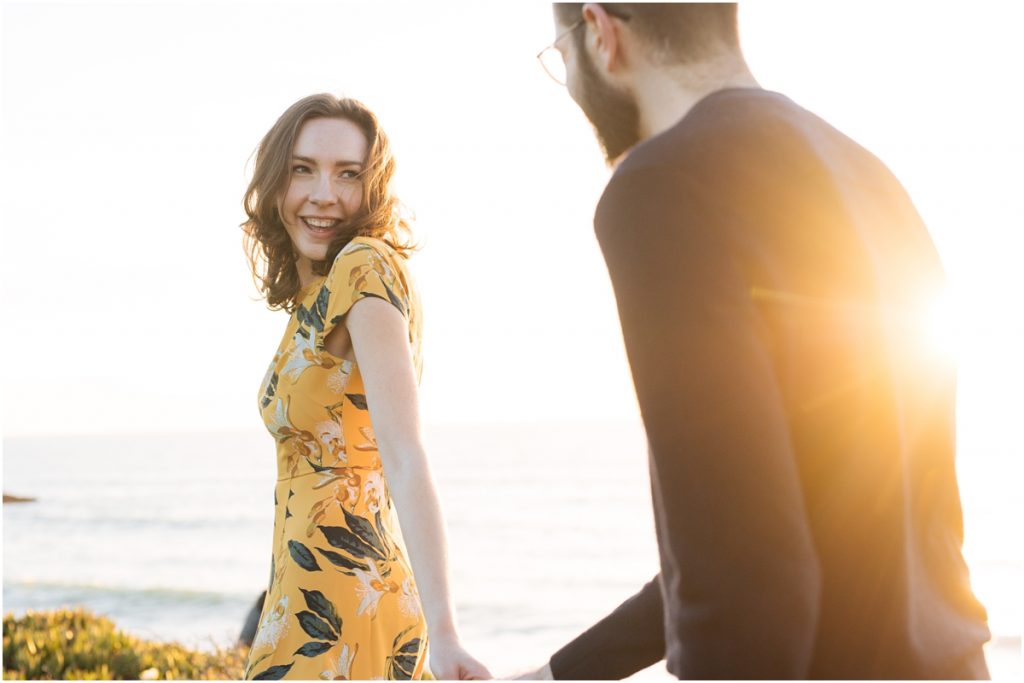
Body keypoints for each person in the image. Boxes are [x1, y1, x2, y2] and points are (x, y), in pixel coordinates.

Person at [519, 3, 991, 679]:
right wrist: (560, 674)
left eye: (560, 55)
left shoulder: (660, 185)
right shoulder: (871, 174)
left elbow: (744, 580)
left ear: (600, 33)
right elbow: (794, 528)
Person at [240, 94, 491, 681]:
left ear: (371, 187)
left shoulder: (364, 266)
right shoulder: (314, 300)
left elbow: (405, 455)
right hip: (303, 597)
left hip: (346, 605)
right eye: (303, 169)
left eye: (348, 174)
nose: (325, 193)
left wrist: (447, 633)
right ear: (276, 182)